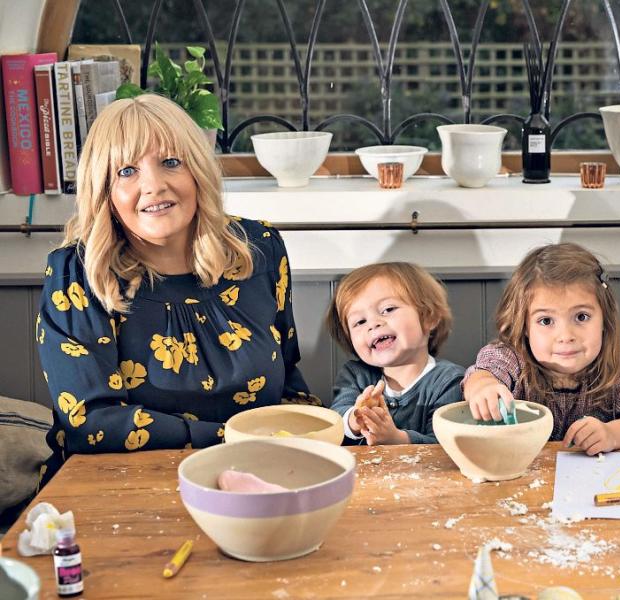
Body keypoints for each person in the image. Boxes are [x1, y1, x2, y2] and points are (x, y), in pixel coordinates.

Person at [36, 94, 315, 483]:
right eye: (127, 171)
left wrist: (326, 434)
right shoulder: (77, 274)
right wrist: (235, 441)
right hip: (119, 486)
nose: (154, 185)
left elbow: (287, 383)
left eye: (171, 162)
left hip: (259, 474)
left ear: (198, 171)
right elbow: (91, 425)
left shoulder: (260, 247)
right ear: (104, 192)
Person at [463, 243, 620, 455]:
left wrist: (612, 434)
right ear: (524, 326)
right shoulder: (512, 359)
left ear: (605, 321)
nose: (566, 336)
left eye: (581, 317)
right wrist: (484, 387)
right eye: (546, 321)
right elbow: (483, 375)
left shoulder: (619, 373)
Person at [326, 262, 464, 445]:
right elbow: (335, 423)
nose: (373, 323)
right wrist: (355, 418)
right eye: (360, 322)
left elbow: (444, 446)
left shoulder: (449, 381)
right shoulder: (355, 375)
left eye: (388, 310)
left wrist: (396, 439)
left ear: (429, 317)